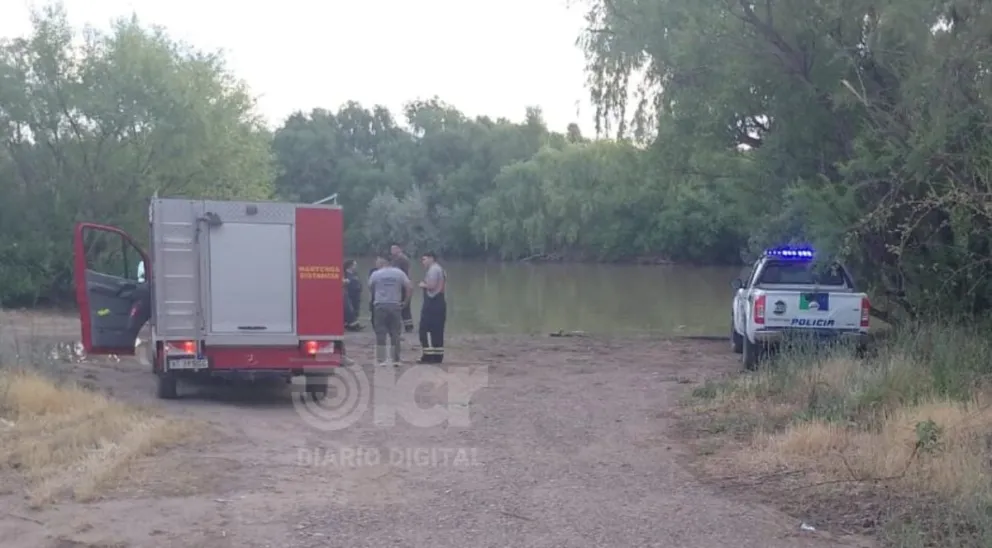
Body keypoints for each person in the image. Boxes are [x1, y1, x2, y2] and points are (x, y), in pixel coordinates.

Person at [368, 259, 412, 366]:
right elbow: (409, 287)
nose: (376, 264)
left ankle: (381, 360)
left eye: (378, 262)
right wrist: (405, 301)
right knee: (395, 333)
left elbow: (370, 287)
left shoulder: (376, 274)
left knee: (381, 333)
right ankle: (396, 360)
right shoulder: (399, 273)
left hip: (380, 305)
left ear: (382, 262)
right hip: (395, 305)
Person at [417, 251, 447, 364]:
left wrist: (422, 285)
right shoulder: (440, 269)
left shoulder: (434, 269)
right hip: (439, 303)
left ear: (431, 258)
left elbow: (432, 286)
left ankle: (428, 356)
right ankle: (437, 357)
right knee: (437, 331)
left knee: (424, 330)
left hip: (433, 304)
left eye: (424, 259)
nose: (422, 262)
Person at [390, 243, 415, 333]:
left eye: (393, 249)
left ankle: (408, 327)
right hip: (400, 285)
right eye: (391, 249)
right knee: (403, 307)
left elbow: (407, 273)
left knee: (404, 305)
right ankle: (407, 327)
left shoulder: (402, 259)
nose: (391, 251)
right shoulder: (396, 259)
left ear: (399, 249)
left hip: (403, 285)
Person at [368, 256, 388, 328]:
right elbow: (370, 284)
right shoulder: (373, 271)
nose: (377, 264)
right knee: (374, 311)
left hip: (386, 295)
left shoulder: (388, 271)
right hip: (375, 294)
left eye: (379, 262)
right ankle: (375, 327)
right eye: (377, 262)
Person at [343, 260, 363, 331]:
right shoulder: (345, 273)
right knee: (350, 310)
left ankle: (354, 325)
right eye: (354, 265)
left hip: (356, 294)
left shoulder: (355, 274)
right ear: (350, 266)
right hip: (349, 294)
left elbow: (358, 282)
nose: (356, 266)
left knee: (356, 310)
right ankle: (351, 325)